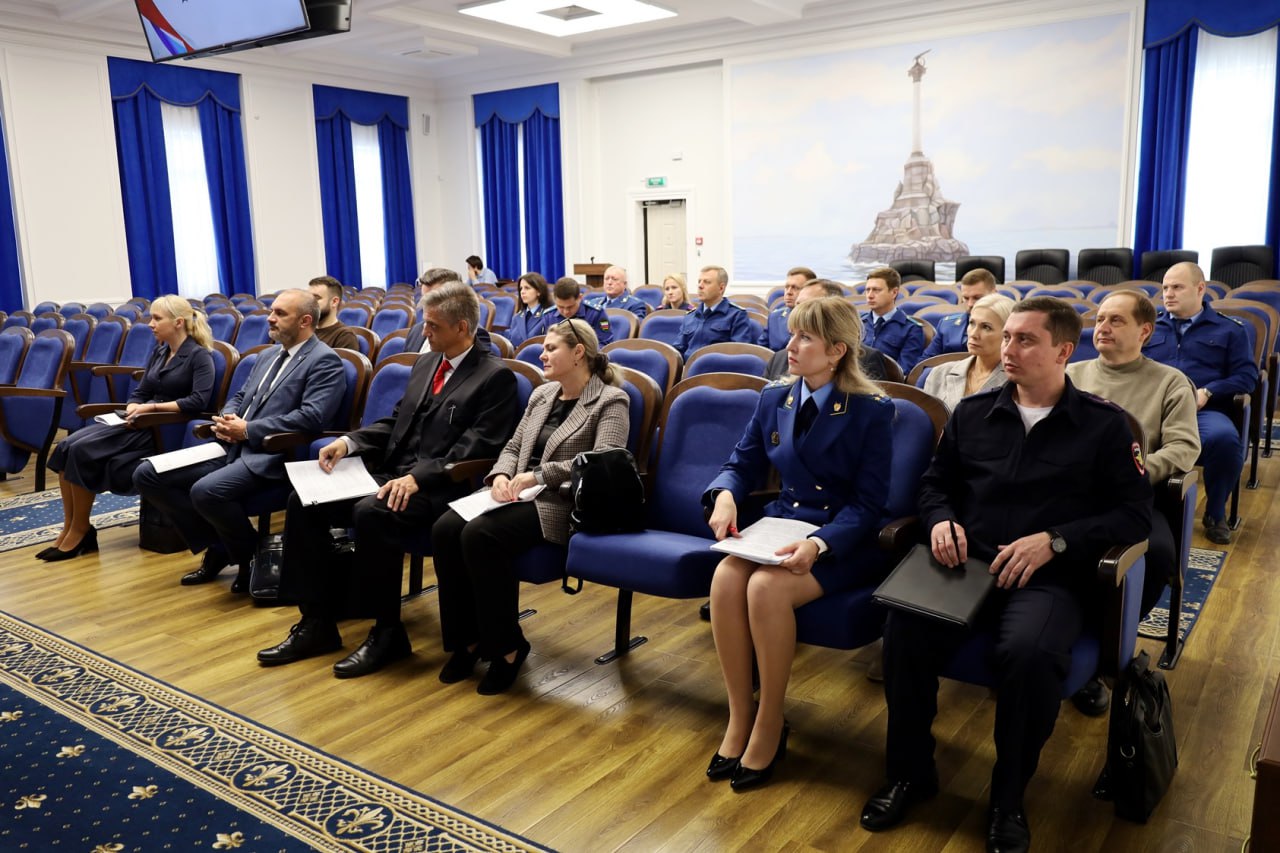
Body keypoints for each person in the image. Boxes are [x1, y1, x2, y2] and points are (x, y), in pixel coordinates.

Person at [861, 297, 1152, 853]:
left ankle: (1008, 797)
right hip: (966, 562)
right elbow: (934, 484)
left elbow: (1132, 515)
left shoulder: (1105, 427)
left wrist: (1057, 540)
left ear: (1064, 350)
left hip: (1048, 574)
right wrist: (941, 519)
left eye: (1025, 340)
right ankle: (910, 773)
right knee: (903, 630)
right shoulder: (974, 413)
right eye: (1009, 336)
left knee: (1030, 655)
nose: (1009, 349)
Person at [257, 283, 519, 678]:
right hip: (390, 473)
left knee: (372, 512)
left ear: (462, 327)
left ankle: (387, 632)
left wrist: (419, 477)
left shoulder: (494, 377)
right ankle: (317, 622)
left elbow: (477, 447)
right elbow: (397, 421)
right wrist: (349, 442)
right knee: (303, 502)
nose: (424, 332)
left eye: (433, 325)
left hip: (441, 487)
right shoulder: (427, 363)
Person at [704, 296, 892, 792]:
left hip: (841, 539)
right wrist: (724, 495)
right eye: (792, 334)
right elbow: (741, 462)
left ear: (836, 351)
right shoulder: (775, 397)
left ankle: (770, 720)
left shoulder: (873, 410)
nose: (790, 346)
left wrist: (822, 545)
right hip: (784, 525)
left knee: (766, 588)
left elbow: (870, 505)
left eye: (804, 338)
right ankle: (739, 714)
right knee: (725, 578)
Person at [431, 318, 629, 695]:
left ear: (578, 353)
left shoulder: (611, 400)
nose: (542, 354)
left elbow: (606, 460)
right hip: (516, 494)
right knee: (444, 528)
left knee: (480, 534)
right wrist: (501, 476)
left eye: (551, 348)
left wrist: (540, 476)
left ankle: (507, 647)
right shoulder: (542, 395)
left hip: (561, 502)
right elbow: (511, 446)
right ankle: (467, 641)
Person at [133, 289, 346, 591]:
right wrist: (227, 418)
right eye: (272, 311)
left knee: (206, 492)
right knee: (147, 475)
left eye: (280, 314)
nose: (270, 318)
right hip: (232, 445)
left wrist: (248, 429)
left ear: (305, 321)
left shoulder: (325, 360)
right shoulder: (268, 354)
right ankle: (228, 548)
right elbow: (241, 396)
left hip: (273, 454)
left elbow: (311, 418)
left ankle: (246, 558)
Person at [1067, 289, 1200, 716]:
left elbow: (1183, 448)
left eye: (1115, 321)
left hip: (1138, 496)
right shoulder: (1071, 373)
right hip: (1068, 492)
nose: (1101, 327)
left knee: (1157, 554)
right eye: (1100, 319)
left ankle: (1100, 653)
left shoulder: (1169, 382)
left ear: (1145, 330)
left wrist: (1136, 473)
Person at [42, 295, 216, 561]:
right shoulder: (161, 351)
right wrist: (135, 404)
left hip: (160, 428)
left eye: (157, 318)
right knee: (68, 445)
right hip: (138, 420)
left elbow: (198, 401)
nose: (150, 324)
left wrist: (150, 409)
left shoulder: (199, 355)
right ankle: (71, 527)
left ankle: (80, 530)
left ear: (178, 322)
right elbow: (142, 390)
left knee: (82, 451)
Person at [1143, 261, 1257, 544]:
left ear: (1200, 289)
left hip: (1203, 411)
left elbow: (1247, 376)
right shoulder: (1150, 327)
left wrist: (1208, 391)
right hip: (1153, 408)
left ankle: (1215, 513)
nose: (1168, 294)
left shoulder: (1230, 330)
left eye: (1177, 287)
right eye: (1165, 288)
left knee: (1225, 440)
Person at [764, 280, 889, 381]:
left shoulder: (867, 358)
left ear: (834, 312)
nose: (799, 312)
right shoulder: (778, 359)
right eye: (798, 305)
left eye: (810, 307)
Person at [922, 293, 1014, 411]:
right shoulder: (939, 373)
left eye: (986, 327)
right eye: (972, 323)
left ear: (1007, 335)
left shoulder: (1017, 381)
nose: (973, 334)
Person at [405, 268, 492, 354]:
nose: (426, 305)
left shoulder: (475, 335)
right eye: (424, 298)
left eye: (434, 299)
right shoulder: (416, 330)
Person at [674, 266, 754, 358]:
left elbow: (739, 353)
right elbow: (678, 351)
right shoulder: (690, 316)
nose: (700, 286)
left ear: (721, 288)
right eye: (699, 281)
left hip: (718, 369)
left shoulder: (736, 315)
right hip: (689, 369)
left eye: (707, 282)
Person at [919, 268, 999, 360]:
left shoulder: (1007, 327)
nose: (970, 304)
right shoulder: (946, 326)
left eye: (977, 298)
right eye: (966, 298)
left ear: (994, 294)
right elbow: (925, 363)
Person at [860, 266, 925, 372]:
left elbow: (904, 371)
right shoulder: (859, 323)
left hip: (887, 385)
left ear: (894, 292)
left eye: (876, 290)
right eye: (867, 290)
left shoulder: (911, 328)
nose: (870, 295)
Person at [537, 277, 613, 345]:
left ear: (580, 298)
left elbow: (605, 343)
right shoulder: (549, 316)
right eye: (561, 307)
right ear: (554, 299)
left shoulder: (596, 313)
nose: (566, 311)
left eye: (570, 307)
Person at [758, 266, 815, 350]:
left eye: (795, 288)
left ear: (809, 290)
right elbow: (761, 351)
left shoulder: (819, 319)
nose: (788, 292)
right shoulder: (774, 317)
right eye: (787, 287)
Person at [308, 275, 359, 351]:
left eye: (316, 298)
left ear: (334, 302)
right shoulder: (305, 330)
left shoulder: (344, 337)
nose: (309, 302)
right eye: (309, 298)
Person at [505, 272, 552, 346]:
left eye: (527, 288)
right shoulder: (516, 317)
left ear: (539, 291)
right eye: (521, 288)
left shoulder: (548, 316)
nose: (522, 292)